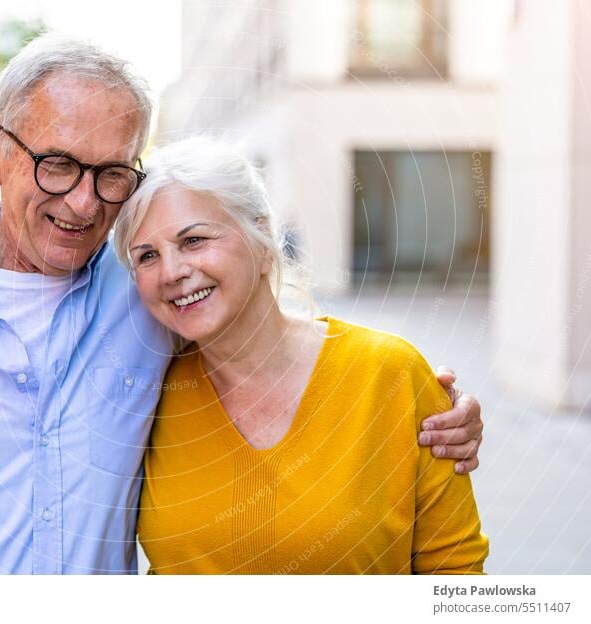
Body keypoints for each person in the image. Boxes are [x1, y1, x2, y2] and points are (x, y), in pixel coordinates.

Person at [0, 36, 482, 576]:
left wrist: (429, 409)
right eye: (57, 164)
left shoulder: (150, 299)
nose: (85, 202)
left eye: (113, 173)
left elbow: (269, 343)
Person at [112, 136, 488, 573]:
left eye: (194, 240)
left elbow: (456, 568)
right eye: (148, 256)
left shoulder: (389, 374)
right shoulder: (145, 393)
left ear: (262, 242)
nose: (172, 271)